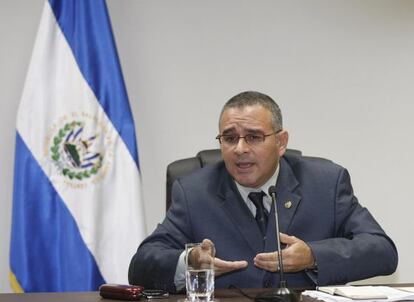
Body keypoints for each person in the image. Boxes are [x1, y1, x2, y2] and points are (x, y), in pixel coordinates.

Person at [129, 91, 398, 292]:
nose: (240, 149)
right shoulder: (194, 191)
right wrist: (189, 260)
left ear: (281, 142)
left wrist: (314, 256)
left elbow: (382, 251)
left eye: (254, 137)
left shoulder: (326, 183)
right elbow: (141, 265)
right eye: (230, 138)